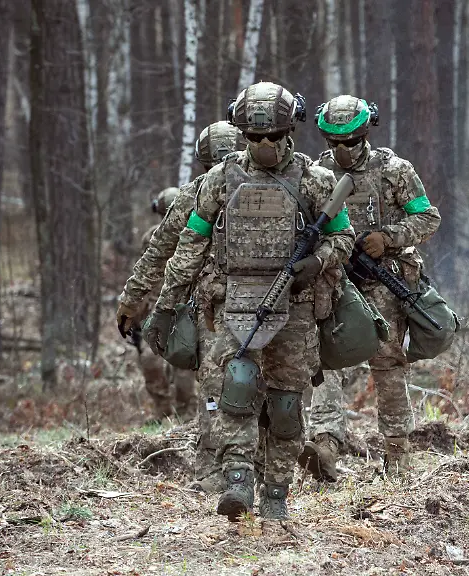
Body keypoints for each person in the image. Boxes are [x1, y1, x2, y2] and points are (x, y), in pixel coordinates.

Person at [146, 82, 354, 521]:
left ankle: (276, 493)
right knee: (234, 390)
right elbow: (191, 244)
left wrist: (316, 262)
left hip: (294, 308)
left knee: (285, 405)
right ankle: (238, 477)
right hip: (233, 303)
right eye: (254, 136)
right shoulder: (220, 180)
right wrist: (166, 304)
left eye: (273, 136)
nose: (264, 145)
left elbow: (344, 238)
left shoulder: (317, 181)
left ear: (289, 131)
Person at [300, 95, 440, 480]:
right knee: (326, 361)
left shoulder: (394, 170)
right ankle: (325, 443)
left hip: (382, 279)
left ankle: (398, 456)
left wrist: (390, 237)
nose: (343, 151)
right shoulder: (317, 174)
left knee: (388, 364)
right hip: (336, 280)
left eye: (351, 141)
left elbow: (428, 217)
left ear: (365, 134)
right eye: (335, 143)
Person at [116, 120, 246, 493]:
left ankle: (214, 468)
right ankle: (243, 468)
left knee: (212, 385)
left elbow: (161, 253)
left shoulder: (200, 191)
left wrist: (132, 300)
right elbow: (160, 252)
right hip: (243, 304)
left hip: (214, 305)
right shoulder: (280, 178)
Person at [135, 187, 197, 421]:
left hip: (186, 307)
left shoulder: (196, 235)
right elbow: (144, 276)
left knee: (183, 363)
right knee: (149, 360)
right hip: (156, 307)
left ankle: (186, 413)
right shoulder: (151, 238)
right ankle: (163, 410)